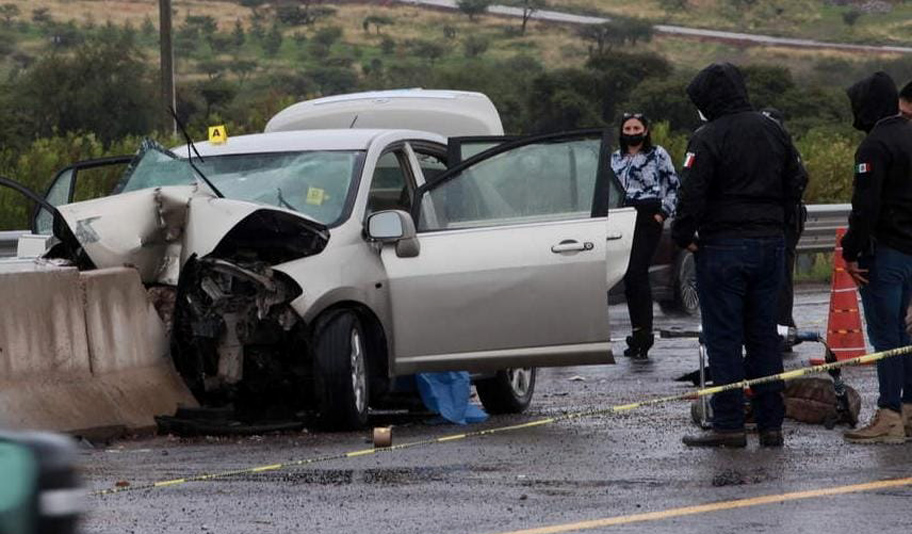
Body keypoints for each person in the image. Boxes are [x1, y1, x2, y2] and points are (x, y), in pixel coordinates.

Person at [672, 63, 806, 448]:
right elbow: (797, 178)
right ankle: (771, 424)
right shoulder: (774, 130)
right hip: (769, 244)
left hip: (723, 246)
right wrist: (777, 219)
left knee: (725, 336)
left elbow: (691, 192)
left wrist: (685, 236)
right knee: (764, 335)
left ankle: (729, 424)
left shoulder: (707, 136)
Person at [841, 72, 912, 445]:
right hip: (910, 251)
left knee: (887, 336)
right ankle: (909, 409)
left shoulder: (874, 145)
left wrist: (850, 251)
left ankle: (888, 415)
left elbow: (865, 206)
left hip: (884, 253)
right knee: (906, 335)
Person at [610, 112, 680, 360]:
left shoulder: (657, 154)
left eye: (636, 127)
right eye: (627, 128)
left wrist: (663, 213)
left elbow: (673, 185)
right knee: (629, 277)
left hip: (648, 215)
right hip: (621, 216)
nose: (631, 132)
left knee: (637, 271)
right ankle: (637, 332)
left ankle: (645, 334)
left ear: (645, 130)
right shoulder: (615, 158)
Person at [760, 107, 809, 343]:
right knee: (772, 278)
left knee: (780, 278)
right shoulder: (763, 149)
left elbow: (800, 180)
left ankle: (782, 328)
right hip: (775, 220)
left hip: (785, 221)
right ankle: (782, 325)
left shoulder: (785, 149)